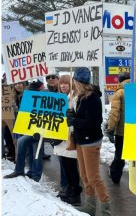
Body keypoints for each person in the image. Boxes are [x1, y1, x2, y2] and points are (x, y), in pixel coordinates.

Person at [66, 67, 110, 216]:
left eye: (74, 81)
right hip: (80, 140)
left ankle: (105, 210)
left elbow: (93, 122)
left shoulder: (92, 98)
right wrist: (72, 114)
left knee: (94, 177)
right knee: (84, 175)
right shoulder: (81, 96)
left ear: (78, 82)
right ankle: (90, 207)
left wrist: (74, 120)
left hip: (90, 142)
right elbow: (81, 117)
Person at [4, 80, 46, 182]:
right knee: (28, 150)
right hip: (25, 126)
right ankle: (30, 171)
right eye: (16, 84)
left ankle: (36, 174)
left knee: (36, 150)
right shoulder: (15, 97)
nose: (18, 85)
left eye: (20, 83)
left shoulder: (32, 94)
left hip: (38, 128)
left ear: (24, 84)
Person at [53, 74, 82, 206]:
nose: (63, 85)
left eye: (66, 83)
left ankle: (75, 193)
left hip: (69, 137)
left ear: (72, 84)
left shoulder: (74, 98)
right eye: (61, 83)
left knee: (71, 167)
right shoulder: (60, 98)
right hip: (60, 136)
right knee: (65, 165)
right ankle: (70, 189)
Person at [105, 72, 130, 184]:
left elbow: (114, 113)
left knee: (119, 155)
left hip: (122, 131)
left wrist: (110, 129)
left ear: (120, 81)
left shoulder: (120, 92)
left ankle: (115, 176)